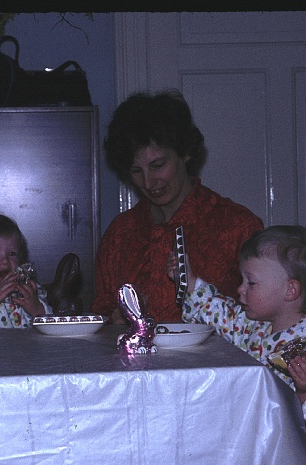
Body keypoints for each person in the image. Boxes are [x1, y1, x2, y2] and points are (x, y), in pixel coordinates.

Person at [168, 225, 306, 465]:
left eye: (251, 282)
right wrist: (190, 282)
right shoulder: (252, 327)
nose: (240, 289)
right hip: (260, 451)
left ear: (290, 290)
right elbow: (220, 313)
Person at [91, 89, 263, 324]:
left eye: (158, 165)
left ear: (186, 153)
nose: (149, 183)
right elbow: (101, 310)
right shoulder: (120, 234)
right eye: (136, 171)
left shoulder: (238, 227)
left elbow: (266, 318)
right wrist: (112, 321)